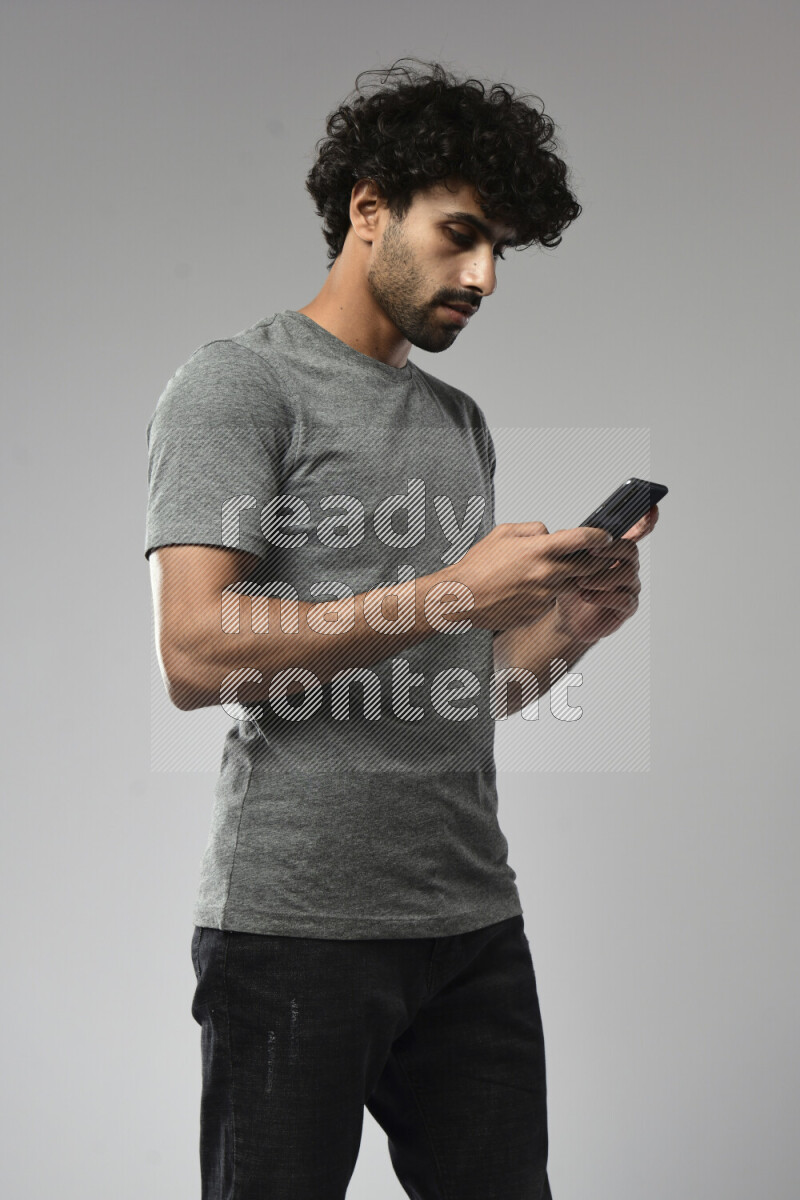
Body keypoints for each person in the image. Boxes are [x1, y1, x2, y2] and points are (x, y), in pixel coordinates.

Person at [145, 58, 657, 1200]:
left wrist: (570, 629)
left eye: (499, 250)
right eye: (460, 235)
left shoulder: (458, 423)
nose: (482, 276)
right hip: (294, 933)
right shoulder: (238, 387)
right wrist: (453, 593)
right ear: (368, 209)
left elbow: (457, 687)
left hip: (472, 925)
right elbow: (192, 651)